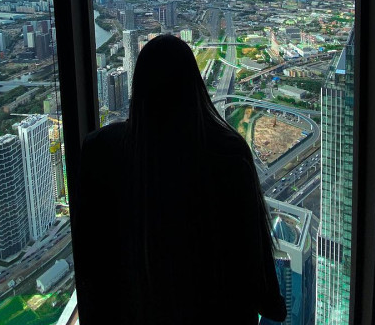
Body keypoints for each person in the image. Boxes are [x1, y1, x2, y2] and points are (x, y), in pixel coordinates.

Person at [73, 34, 286, 324]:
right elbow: (249, 248)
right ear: (195, 85)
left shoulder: (100, 149)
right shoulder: (227, 152)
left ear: (139, 88)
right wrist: (271, 301)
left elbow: (89, 258)